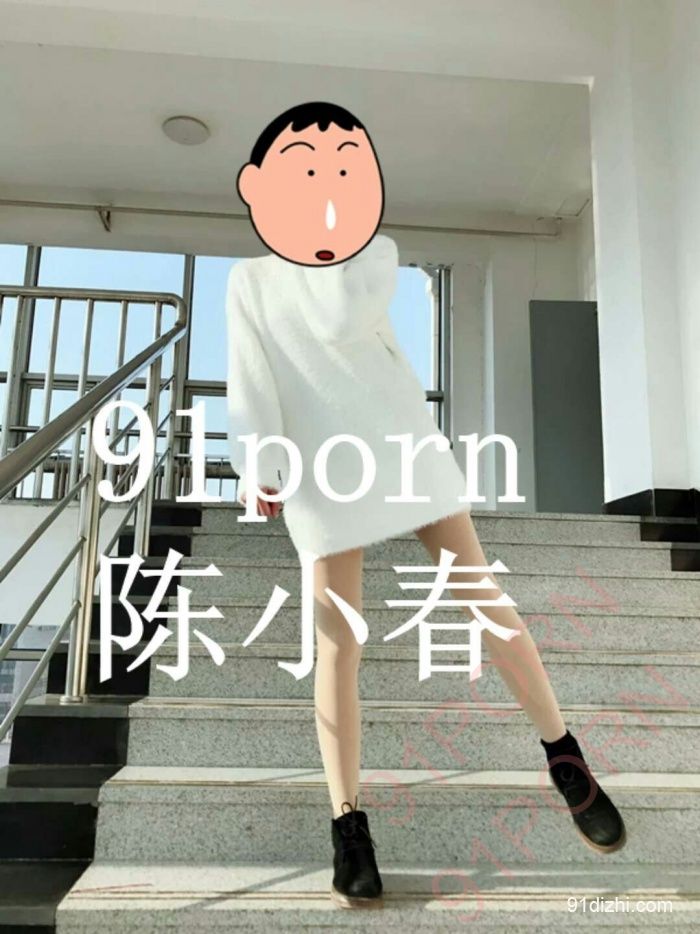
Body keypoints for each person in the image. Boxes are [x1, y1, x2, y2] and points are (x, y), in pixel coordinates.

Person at [226, 101, 626, 910]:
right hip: (322, 467)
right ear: (260, 187)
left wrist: (331, 233)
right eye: (305, 170)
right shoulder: (248, 280)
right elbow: (250, 376)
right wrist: (258, 463)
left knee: (483, 598)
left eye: (344, 169)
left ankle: (565, 755)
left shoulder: (373, 254)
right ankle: (349, 826)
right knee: (337, 644)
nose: (326, 184)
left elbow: (339, 316)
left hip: (399, 441)